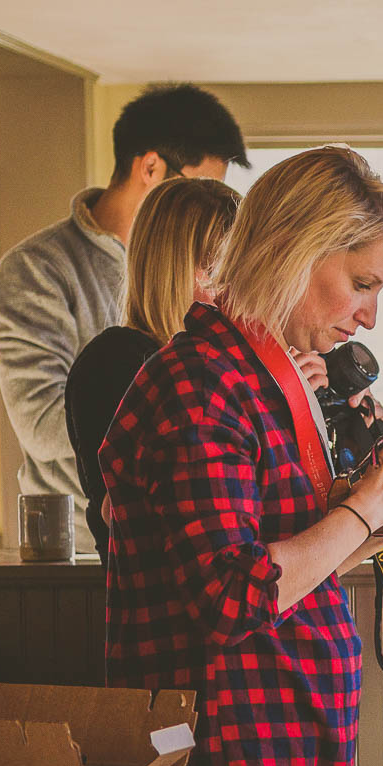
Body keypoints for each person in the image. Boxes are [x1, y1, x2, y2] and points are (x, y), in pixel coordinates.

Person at [102, 146, 383, 766]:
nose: (369, 318)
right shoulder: (202, 386)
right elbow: (234, 596)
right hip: (232, 755)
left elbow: (288, 564)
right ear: (293, 250)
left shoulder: (263, 377)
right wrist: (362, 510)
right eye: (360, 283)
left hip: (285, 739)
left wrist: (382, 523)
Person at [0, 84, 247, 548]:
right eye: (194, 188)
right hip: (80, 548)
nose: (203, 205)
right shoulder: (36, 271)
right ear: (150, 167)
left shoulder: (213, 287)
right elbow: (45, 425)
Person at [64, 177, 240, 565]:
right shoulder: (116, 361)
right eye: (220, 271)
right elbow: (132, 513)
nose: (238, 291)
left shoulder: (228, 367)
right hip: (161, 608)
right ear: (171, 267)